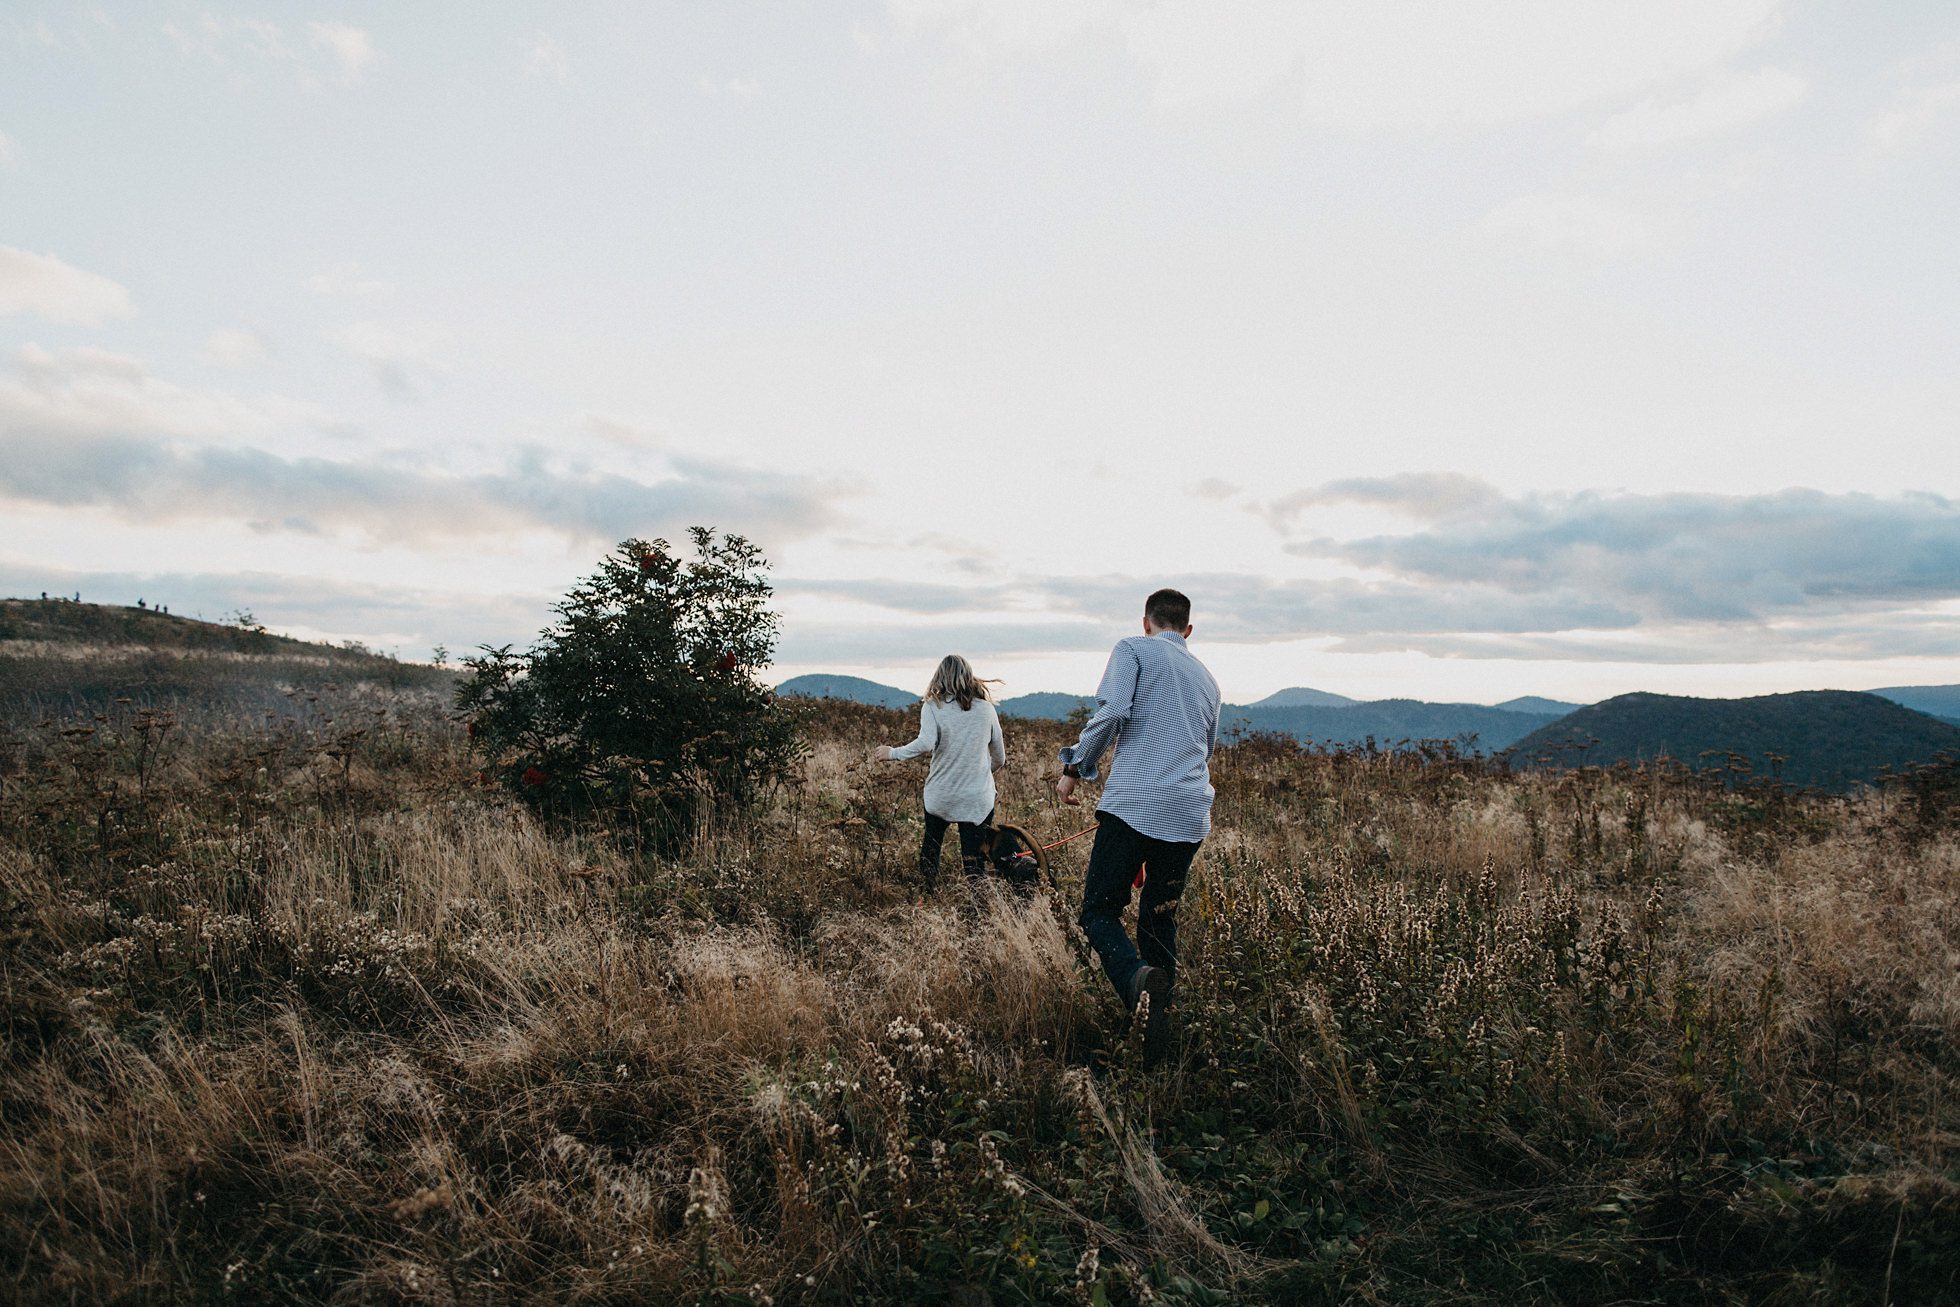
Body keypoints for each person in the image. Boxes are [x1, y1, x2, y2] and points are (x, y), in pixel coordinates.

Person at [1056, 588, 1221, 1066]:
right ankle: (1160, 1037)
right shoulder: (1208, 678)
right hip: (1188, 813)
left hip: (1133, 806)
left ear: (1146, 621)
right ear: (1187, 631)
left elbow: (1111, 712)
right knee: (1159, 919)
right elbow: (1204, 748)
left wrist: (1076, 769)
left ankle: (1135, 984)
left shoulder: (1132, 648)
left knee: (1099, 912)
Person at [870, 654, 1007, 898]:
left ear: (939, 677)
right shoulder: (986, 709)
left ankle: (926, 897)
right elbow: (1000, 758)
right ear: (968, 676)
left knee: (931, 847)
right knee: (973, 861)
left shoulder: (932, 707)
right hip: (976, 798)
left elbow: (925, 743)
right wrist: (981, 775)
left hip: (940, 796)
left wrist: (892, 753)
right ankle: (980, 912)